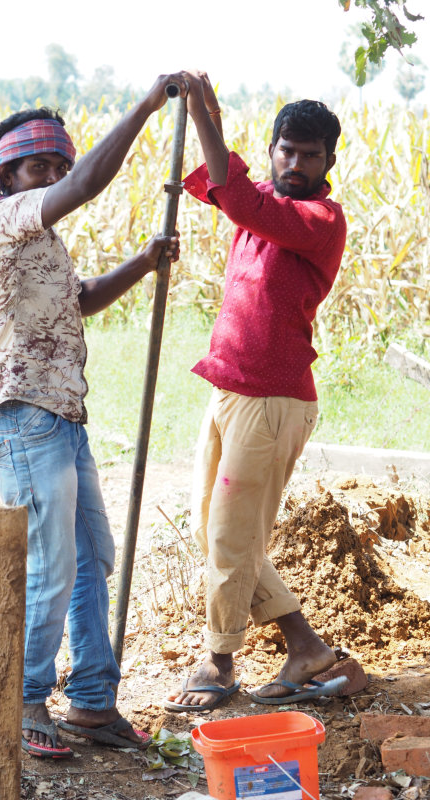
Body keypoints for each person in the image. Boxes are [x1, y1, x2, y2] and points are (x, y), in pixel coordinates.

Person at [0, 75, 183, 757]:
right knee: (52, 565)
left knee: (93, 556)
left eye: (60, 165)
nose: (55, 177)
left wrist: (143, 264)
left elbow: (81, 299)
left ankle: (92, 700)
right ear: (7, 174)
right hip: (21, 418)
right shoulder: (3, 219)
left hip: (62, 418)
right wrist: (148, 105)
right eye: (41, 166)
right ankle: (26, 699)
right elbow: (90, 184)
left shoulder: (45, 243)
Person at [165, 72, 348, 712]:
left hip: (274, 400)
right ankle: (306, 648)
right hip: (230, 388)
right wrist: (207, 113)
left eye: (310, 155)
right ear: (272, 150)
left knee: (230, 540)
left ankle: (218, 660)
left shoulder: (317, 219)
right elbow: (222, 188)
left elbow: (239, 198)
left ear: (329, 161)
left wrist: (201, 115)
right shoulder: (264, 201)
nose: (295, 164)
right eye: (285, 150)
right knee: (213, 531)